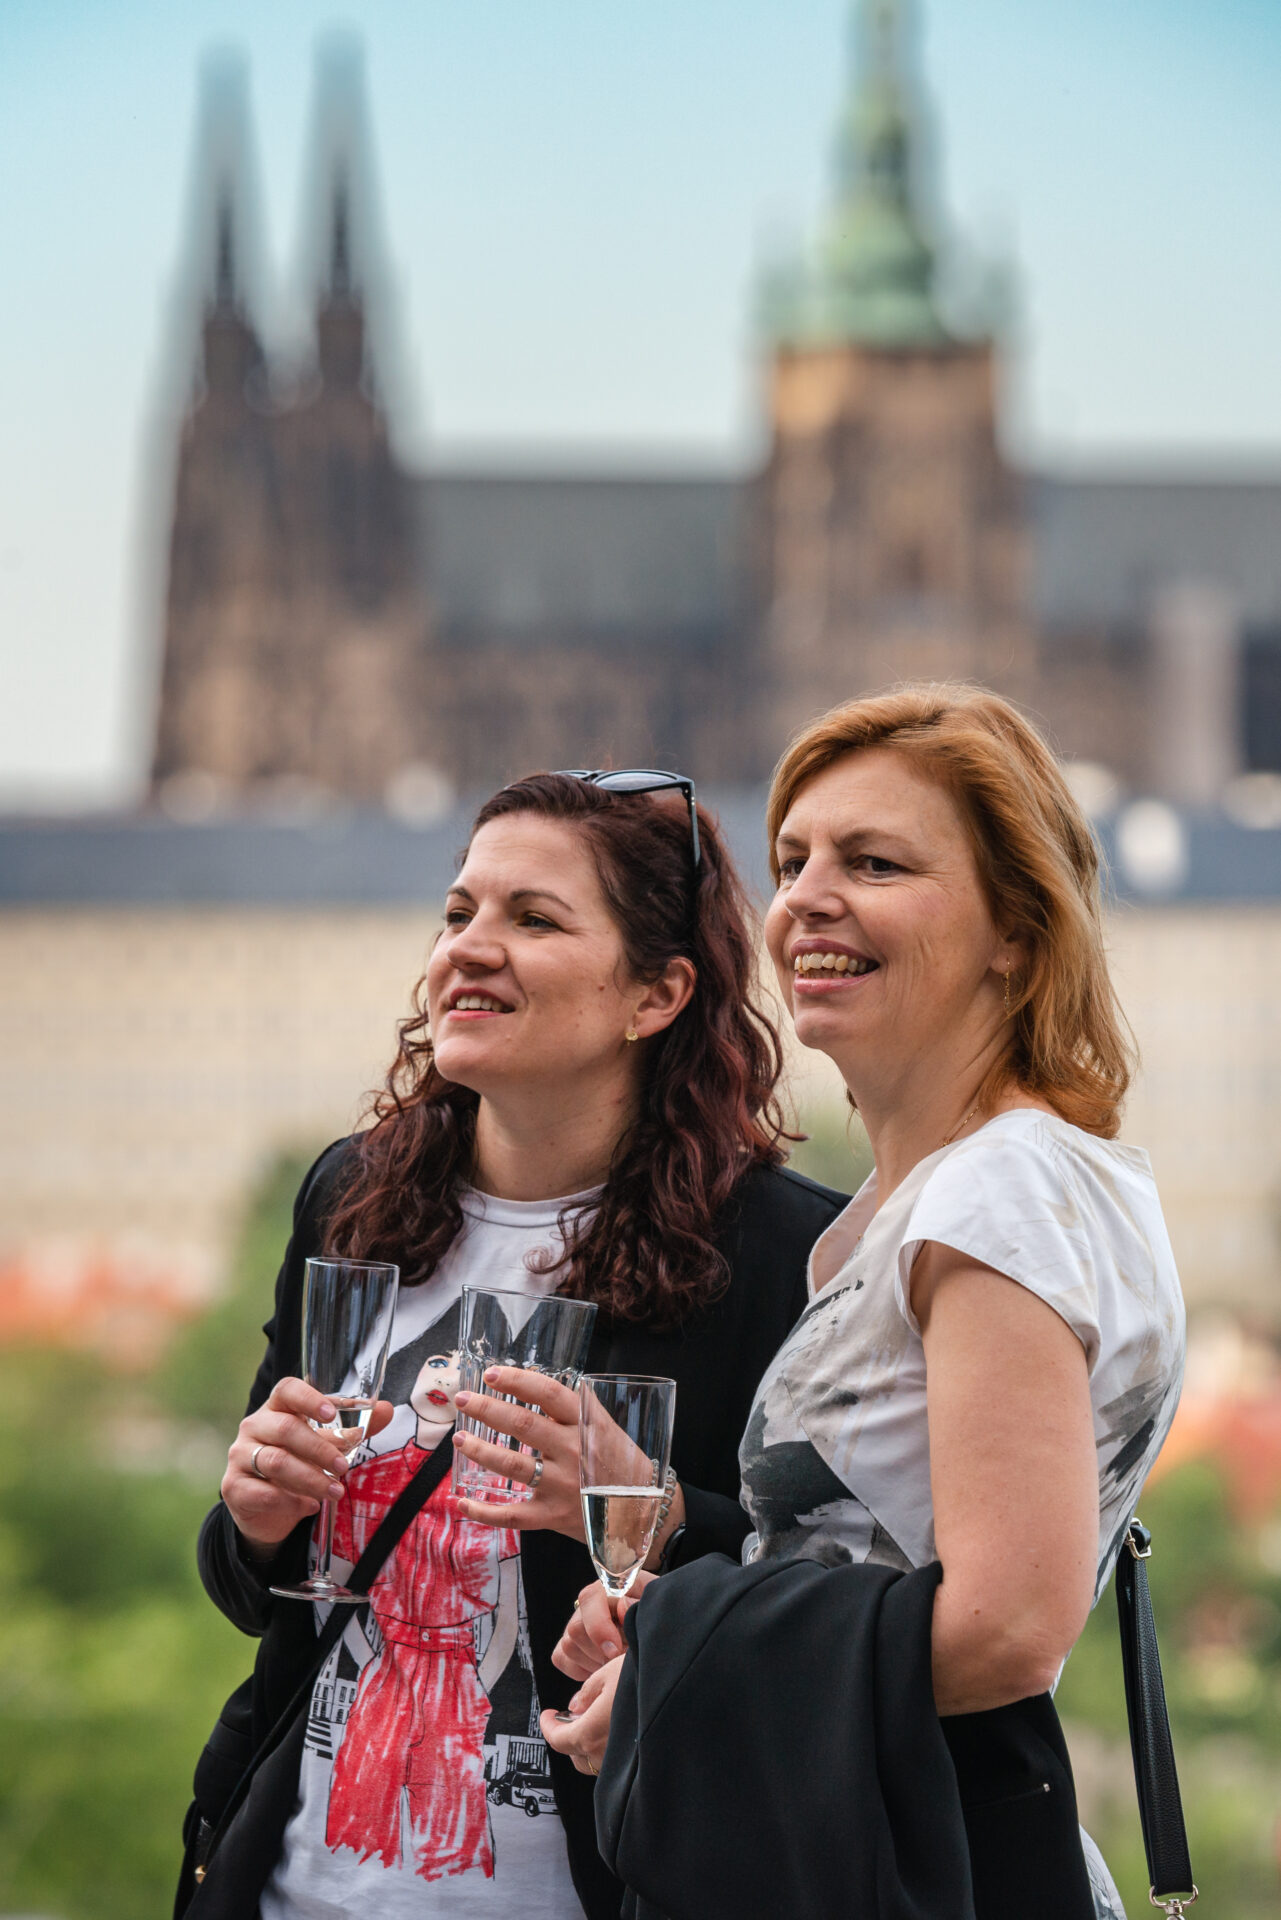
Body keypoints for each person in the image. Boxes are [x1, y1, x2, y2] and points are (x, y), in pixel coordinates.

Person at [546, 690, 1186, 1920]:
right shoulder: (944, 1195)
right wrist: (672, 1633)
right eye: (793, 862)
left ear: (1017, 931)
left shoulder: (1000, 1190)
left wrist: (691, 1674)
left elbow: (1005, 1631)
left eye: (876, 863)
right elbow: (877, 1567)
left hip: (910, 1858)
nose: (807, 899)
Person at [178, 769, 846, 1920]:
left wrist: (646, 1511)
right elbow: (260, 1595)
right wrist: (254, 1517)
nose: (468, 949)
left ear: (657, 994)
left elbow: (840, 1617)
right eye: (460, 912)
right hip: (294, 1885)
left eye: (532, 919)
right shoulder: (351, 1196)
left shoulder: (789, 1254)